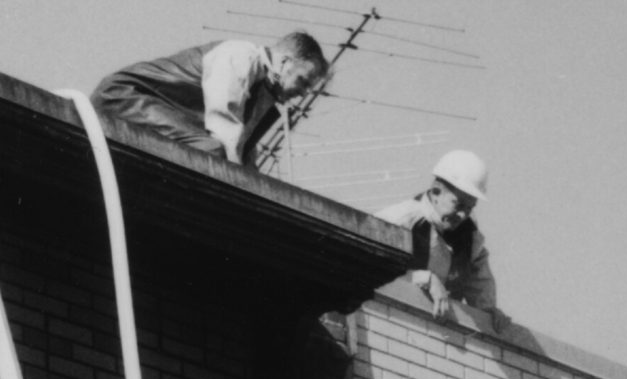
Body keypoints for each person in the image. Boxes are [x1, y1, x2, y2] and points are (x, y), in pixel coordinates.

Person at [92, 31, 330, 169]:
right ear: (285, 62)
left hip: (137, 103)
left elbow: (245, 155)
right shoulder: (240, 56)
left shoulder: (263, 95)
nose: (304, 92)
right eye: (303, 80)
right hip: (124, 96)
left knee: (217, 154)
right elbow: (224, 128)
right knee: (213, 153)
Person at [385, 148, 498, 320]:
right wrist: (425, 279)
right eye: (458, 205)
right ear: (436, 192)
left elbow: (482, 293)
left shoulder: (471, 239)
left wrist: (490, 315)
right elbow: (367, 268)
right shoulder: (401, 220)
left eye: (469, 208)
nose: (463, 215)